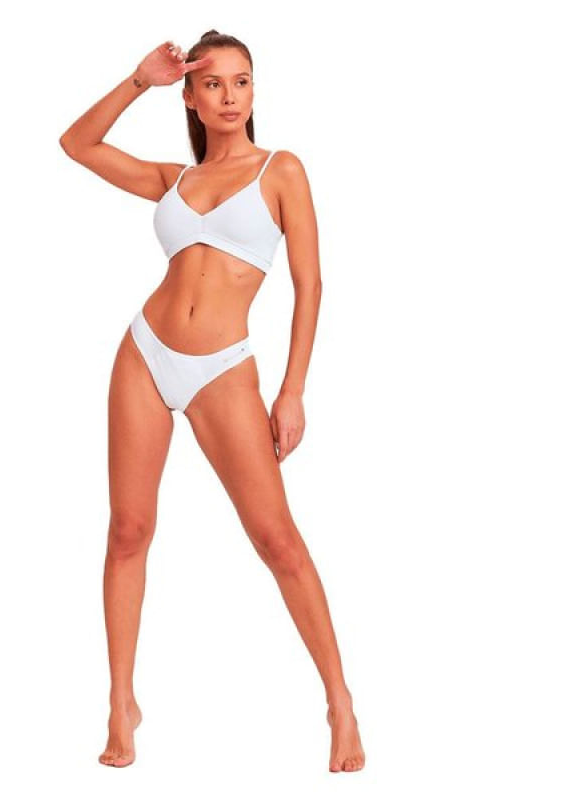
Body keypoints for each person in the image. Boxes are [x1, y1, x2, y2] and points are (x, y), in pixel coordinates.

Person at [59, 30, 365, 773]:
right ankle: (121, 703)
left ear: (254, 92)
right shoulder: (174, 179)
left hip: (224, 368)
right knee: (128, 530)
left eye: (242, 81)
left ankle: (340, 702)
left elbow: (311, 285)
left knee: (277, 540)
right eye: (215, 83)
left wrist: (293, 389)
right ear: (192, 98)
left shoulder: (280, 170)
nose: (231, 96)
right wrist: (140, 79)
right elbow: (77, 144)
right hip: (144, 353)